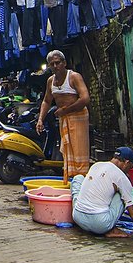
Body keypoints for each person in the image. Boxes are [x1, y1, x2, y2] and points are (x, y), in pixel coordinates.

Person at [36, 50, 91, 181]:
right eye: (52, 64)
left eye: (58, 63)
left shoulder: (74, 77)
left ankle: (81, 179)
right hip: (64, 119)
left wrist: (66, 110)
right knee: (67, 151)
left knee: (79, 151)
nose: (55, 66)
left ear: (64, 63)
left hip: (78, 117)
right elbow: (46, 101)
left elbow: (85, 99)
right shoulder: (50, 81)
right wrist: (40, 120)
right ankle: (71, 179)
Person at [70, 147, 133, 238]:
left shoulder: (96, 165)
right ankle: (111, 230)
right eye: (130, 167)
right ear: (127, 163)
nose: (129, 171)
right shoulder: (121, 177)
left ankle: (80, 210)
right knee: (124, 194)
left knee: (78, 178)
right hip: (100, 225)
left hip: (78, 218)